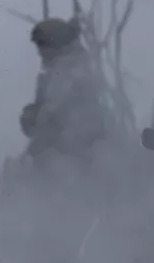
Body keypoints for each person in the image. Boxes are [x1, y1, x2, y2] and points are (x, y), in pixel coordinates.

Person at [20, 17, 105, 173]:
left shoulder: (74, 72)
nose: (39, 52)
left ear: (54, 45)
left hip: (72, 160)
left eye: (42, 45)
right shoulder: (52, 75)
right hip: (59, 157)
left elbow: (58, 115)